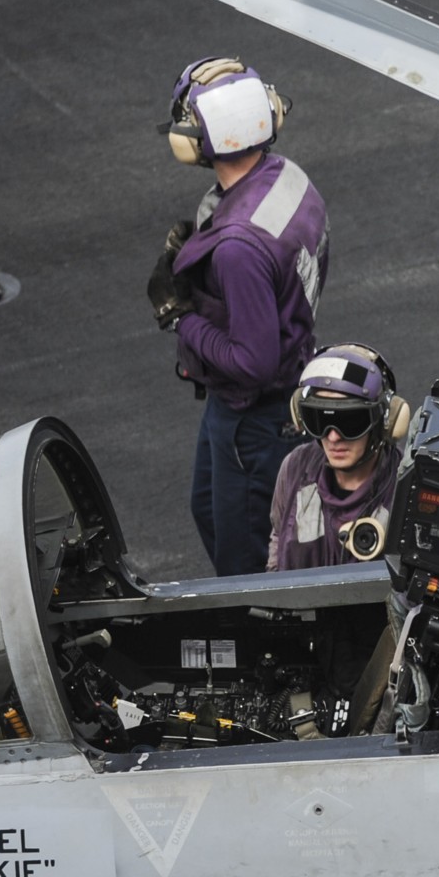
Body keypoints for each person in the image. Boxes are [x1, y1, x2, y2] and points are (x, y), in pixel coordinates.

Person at [149, 58, 330, 577]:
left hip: (254, 417)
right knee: (206, 508)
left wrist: (178, 316)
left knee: (246, 560)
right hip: (255, 403)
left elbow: (251, 362)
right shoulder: (289, 177)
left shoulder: (237, 249)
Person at [269, 344, 410, 571]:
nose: (333, 437)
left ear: (385, 421)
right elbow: (278, 536)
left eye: (350, 423)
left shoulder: (406, 487)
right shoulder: (295, 467)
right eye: (320, 421)